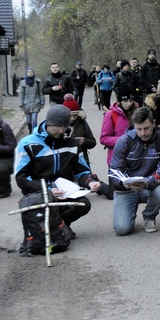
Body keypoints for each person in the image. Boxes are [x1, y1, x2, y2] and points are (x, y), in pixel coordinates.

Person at [14, 105, 103, 250]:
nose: (61, 131)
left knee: (83, 204)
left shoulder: (72, 144)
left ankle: (60, 225)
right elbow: (22, 178)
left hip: (64, 192)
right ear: (48, 123)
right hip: (38, 194)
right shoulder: (28, 143)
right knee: (44, 207)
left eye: (64, 126)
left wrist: (90, 182)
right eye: (57, 126)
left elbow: (81, 170)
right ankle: (52, 228)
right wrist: (48, 190)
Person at [110, 107, 160, 235]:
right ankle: (128, 212)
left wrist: (147, 183)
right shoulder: (123, 142)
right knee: (122, 229)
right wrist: (124, 183)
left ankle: (149, 216)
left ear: (153, 123)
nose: (143, 133)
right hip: (126, 189)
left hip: (150, 186)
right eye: (139, 129)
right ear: (134, 126)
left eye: (147, 128)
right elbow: (114, 171)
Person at [63, 95, 114, 200]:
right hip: (65, 160)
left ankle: (99, 185)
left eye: (75, 115)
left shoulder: (83, 123)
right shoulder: (60, 125)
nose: (72, 118)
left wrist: (84, 141)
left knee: (87, 180)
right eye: (70, 116)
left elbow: (93, 142)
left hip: (81, 159)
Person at [100, 85, 138, 165]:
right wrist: (122, 140)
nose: (128, 104)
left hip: (135, 159)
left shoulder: (138, 113)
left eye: (131, 101)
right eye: (125, 101)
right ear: (119, 101)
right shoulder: (110, 115)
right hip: (117, 160)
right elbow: (104, 138)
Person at [18, 67, 44, 131]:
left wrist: (42, 102)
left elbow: (41, 93)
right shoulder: (23, 83)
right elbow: (21, 94)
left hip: (35, 103)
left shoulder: (37, 82)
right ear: (26, 73)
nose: (30, 73)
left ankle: (34, 131)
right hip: (26, 104)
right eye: (29, 72)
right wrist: (21, 104)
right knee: (28, 121)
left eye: (31, 72)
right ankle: (30, 129)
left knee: (34, 119)